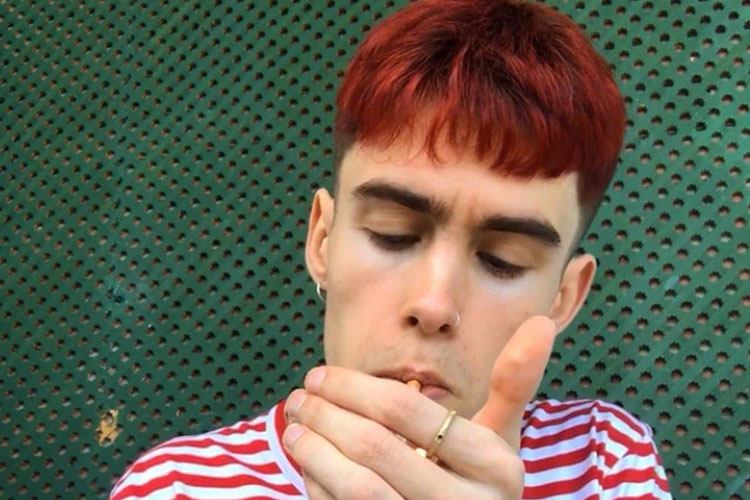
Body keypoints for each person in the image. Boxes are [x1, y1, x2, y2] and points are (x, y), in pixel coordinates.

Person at [110, 0, 673, 498]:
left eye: (504, 261)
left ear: (563, 298)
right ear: (322, 241)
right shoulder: (178, 486)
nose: (433, 305)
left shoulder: (604, 463)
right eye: (391, 233)